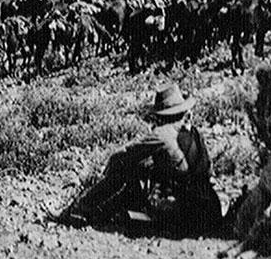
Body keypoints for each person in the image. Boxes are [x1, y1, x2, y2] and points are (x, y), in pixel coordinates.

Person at [50, 84, 223, 236]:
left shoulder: (161, 135)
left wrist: (110, 169)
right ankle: (99, 213)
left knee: (126, 169)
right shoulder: (195, 133)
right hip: (209, 209)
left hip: (185, 212)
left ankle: (80, 209)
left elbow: (122, 155)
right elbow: (206, 170)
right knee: (143, 172)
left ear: (161, 114)